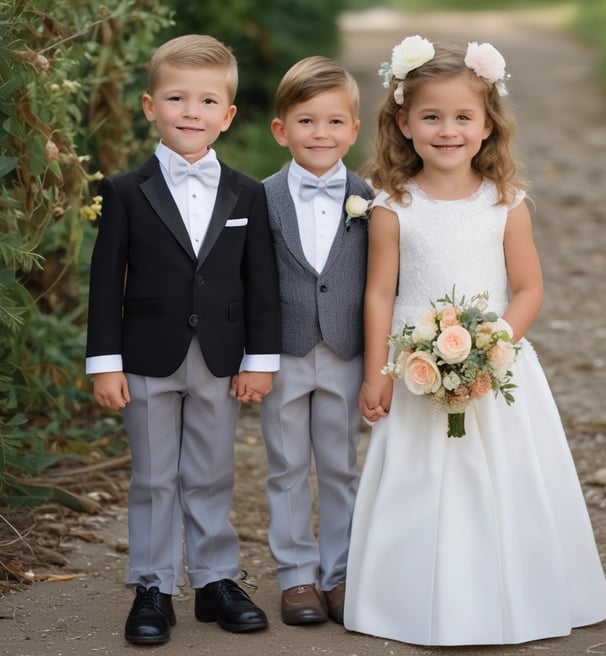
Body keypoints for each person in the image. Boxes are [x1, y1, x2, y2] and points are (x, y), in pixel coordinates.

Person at [344, 36, 606, 646]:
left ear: (488, 125)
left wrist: (492, 346)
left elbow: (529, 289)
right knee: (420, 481)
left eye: (463, 117)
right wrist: (377, 370)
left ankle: (514, 591)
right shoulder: (393, 206)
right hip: (415, 366)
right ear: (404, 123)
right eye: (431, 117)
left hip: (496, 371)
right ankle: (406, 599)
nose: (447, 130)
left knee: (504, 478)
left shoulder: (505, 204)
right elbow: (380, 293)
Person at [85, 34, 281, 645]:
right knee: (151, 476)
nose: (190, 112)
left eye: (205, 102)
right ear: (150, 107)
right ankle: (152, 586)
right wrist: (104, 364)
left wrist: (260, 359)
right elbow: (104, 282)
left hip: (221, 359)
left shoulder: (248, 193)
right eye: (176, 98)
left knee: (211, 471)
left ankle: (216, 580)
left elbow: (261, 285)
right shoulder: (123, 191)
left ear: (227, 116)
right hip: (145, 357)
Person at [260, 56, 373, 626]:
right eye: (306, 121)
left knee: (339, 464)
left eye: (334, 122)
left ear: (354, 129)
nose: (320, 134)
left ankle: (341, 574)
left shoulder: (373, 201)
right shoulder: (260, 198)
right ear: (282, 130)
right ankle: (296, 577)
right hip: (282, 352)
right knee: (284, 465)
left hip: (347, 352)